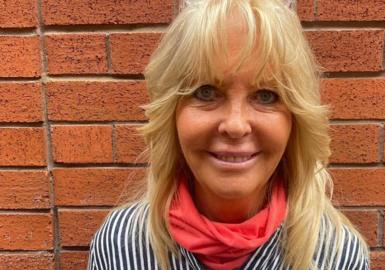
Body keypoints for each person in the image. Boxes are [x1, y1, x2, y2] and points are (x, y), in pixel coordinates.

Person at [87, 0, 370, 269]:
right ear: (171, 113)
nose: (235, 125)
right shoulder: (119, 247)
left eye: (266, 95)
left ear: (296, 122)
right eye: (206, 92)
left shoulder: (337, 256)